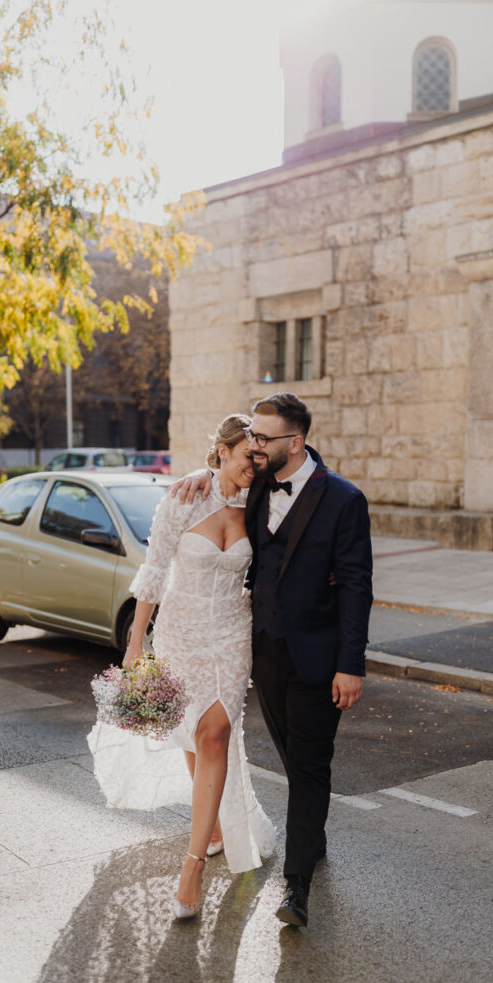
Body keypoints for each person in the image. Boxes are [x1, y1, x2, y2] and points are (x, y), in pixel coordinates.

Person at [174, 392, 372, 928]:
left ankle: (297, 885)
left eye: (263, 438)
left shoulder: (344, 500)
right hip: (261, 653)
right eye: (252, 438)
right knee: (291, 757)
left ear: (295, 442)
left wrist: (350, 664)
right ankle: (315, 832)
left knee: (309, 766)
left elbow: (356, 586)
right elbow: (224, 479)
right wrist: (199, 472)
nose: (254, 446)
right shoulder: (257, 483)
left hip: (318, 656)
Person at [87, 414, 275, 920]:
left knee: (215, 734)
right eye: (246, 458)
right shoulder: (183, 498)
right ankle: (211, 827)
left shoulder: (260, 502)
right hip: (180, 633)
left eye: (260, 460)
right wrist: (134, 647)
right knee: (193, 734)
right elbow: (153, 571)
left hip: (232, 634)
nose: (253, 468)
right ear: (222, 451)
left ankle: (191, 867)